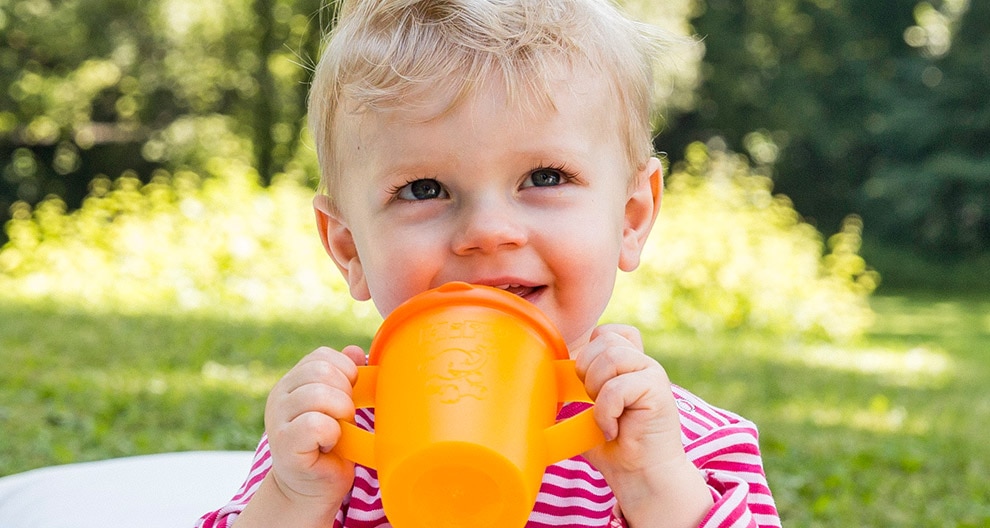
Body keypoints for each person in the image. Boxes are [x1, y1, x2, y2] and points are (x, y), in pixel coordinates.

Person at [198, 0, 781, 526]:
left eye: (545, 178)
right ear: (349, 248)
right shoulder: (332, 441)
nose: (487, 232)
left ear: (629, 218)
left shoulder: (688, 445)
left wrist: (657, 488)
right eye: (424, 189)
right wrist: (294, 500)